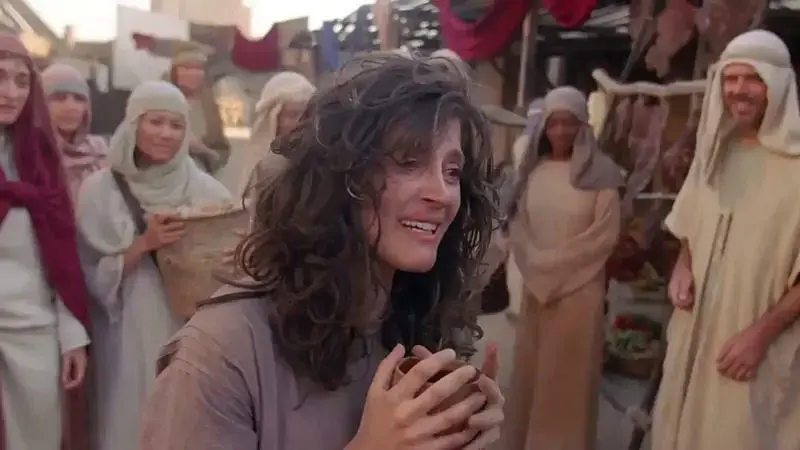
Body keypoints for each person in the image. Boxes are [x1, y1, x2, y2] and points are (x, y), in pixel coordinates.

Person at [139, 53, 504, 450]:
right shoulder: (221, 352)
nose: (442, 194)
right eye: (409, 162)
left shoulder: (414, 323)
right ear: (339, 174)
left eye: (452, 172)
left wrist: (458, 429)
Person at [654, 29, 800, 450]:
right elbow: (692, 224)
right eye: (731, 78)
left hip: (752, 348)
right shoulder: (715, 153)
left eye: (752, 78)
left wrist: (759, 336)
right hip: (693, 337)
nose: (739, 90)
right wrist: (683, 264)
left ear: (778, 84)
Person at [76, 81, 231, 450]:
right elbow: (86, 277)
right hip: (124, 334)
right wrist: (146, 243)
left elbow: (233, 265)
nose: (165, 134)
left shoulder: (207, 190)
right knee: (128, 419)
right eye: (155, 121)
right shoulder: (99, 191)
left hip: (190, 334)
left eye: (176, 125)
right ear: (134, 123)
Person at [504, 86, 623, 450]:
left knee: (568, 381)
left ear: (583, 125)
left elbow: (603, 235)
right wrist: (534, 262)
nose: (560, 131)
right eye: (553, 123)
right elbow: (519, 223)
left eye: (569, 123)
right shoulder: (534, 171)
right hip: (537, 291)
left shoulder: (603, 175)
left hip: (579, 293)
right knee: (534, 373)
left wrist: (550, 265)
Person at [0, 33, 90, 450]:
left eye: (22, 80)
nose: (11, 92)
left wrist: (71, 334)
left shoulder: (39, 156)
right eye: (0, 77)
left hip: (36, 336)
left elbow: (61, 256)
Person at [222, 71, 315, 198]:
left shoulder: (321, 162)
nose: (301, 122)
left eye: (306, 115)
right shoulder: (266, 165)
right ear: (273, 118)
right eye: (292, 115)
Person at [42, 63, 108, 202]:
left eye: (79, 98)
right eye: (59, 98)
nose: (70, 107)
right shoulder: (26, 153)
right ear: (40, 103)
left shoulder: (101, 152)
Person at [165, 43, 230, 174]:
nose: (193, 73)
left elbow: (221, 150)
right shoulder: (160, 101)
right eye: (187, 68)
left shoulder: (209, 105)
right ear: (175, 71)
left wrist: (205, 152)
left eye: (198, 68)